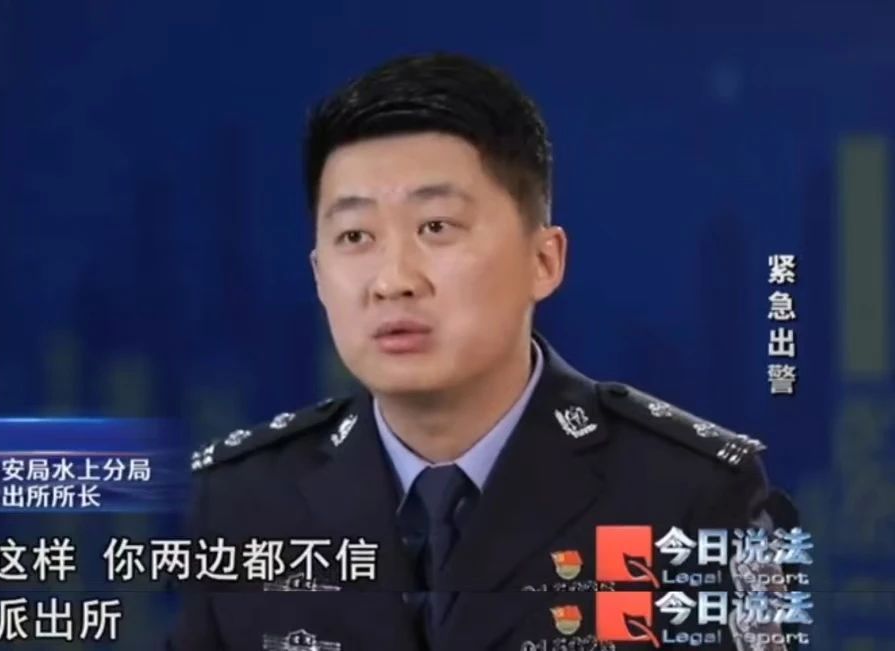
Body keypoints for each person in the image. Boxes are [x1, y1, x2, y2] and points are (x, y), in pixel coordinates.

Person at [166, 52, 798, 651]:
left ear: (543, 260)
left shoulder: (695, 493)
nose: (393, 280)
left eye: (436, 227)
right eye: (355, 235)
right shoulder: (241, 502)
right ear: (317, 275)